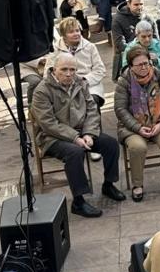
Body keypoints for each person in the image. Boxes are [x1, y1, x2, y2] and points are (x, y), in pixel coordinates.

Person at [32, 53, 124, 218]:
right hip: (52, 137)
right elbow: (48, 123)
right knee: (75, 152)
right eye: (64, 70)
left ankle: (108, 184)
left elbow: (91, 110)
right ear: (54, 70)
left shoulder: (80, 83)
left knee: (110, 144)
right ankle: (78, 202)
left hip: (82, 130)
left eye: (72, 70)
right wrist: (75, 137)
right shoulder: (42, 91)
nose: (69, 74)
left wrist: (89, 133)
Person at [115, 47, 160, 202]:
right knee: (138, 147)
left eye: (146, 63)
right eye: (139, 65)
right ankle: (138, 185)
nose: (144, 67)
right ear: (131, 66)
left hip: (157, 122)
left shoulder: (158, 75)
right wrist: (137, 128)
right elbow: (120, 109)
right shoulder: (124, 81)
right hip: (132, 127)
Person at [53, 16, 108, 106]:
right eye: (71, 32)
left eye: (77, 30)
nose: (76, 34)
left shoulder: (90, 47)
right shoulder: (56, 49)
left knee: (92, 101)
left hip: (88, 84)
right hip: (63, 85)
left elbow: (100, 70)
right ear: (63, 35)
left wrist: (84, 80)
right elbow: (49, 70)